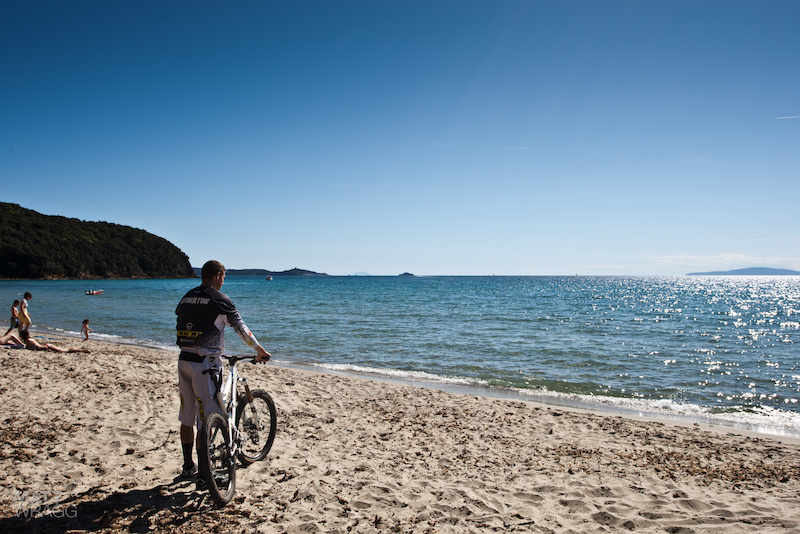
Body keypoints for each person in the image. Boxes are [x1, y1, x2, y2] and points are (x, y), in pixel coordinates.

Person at [175, 260, 271, 480]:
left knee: (187, 417)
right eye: (223, 277)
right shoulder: (220, 299)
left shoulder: (187, 296)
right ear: (218, 275)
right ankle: (204, 475)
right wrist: (259, 349)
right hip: (206, 364)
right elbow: (241, 329)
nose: (223, 281)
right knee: (206, 417)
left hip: (184, 360)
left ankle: (188, 466)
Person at [19, 330, 90, 353]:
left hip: (47, 346)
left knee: (64, 350)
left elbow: (33, 347)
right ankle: (82, 349)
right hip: (47, 346)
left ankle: (83, 350)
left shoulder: (28, 340)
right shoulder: (29, 340)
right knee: (64, 350)